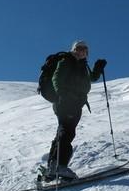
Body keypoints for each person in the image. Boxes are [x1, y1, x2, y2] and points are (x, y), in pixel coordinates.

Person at [42, 40, 107, 181]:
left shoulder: (82, 66)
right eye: (78, 48)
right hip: (66, 102)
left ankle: (52, 167)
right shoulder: (67, 61)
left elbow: (91, 78)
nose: (81, 51)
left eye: (84, 49)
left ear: (86, 53)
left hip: (75, 103)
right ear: (73, 49)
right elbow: (56, 78)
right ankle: (61, 167)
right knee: (67, 132)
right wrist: (63, 95)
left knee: (62, 131)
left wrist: (98, 68)